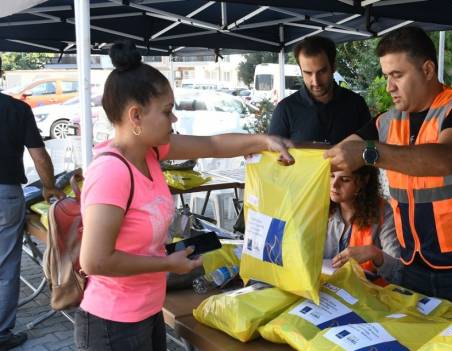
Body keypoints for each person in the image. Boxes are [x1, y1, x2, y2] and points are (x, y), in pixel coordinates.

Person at [75, 41, 294, 351]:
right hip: (113, 326)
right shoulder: (111, 172)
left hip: (147, 311)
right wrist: (166, 264)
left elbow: (214, 145)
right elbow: (95, 260)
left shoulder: (151, 152)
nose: (174, 119)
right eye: (167, 111)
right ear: (135, 116)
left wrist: (263, 141)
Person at [324, 27, 452, 312]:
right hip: (415, 268)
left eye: (397, 75)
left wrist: (368, 153)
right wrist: (278, 151)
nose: (389, 86)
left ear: (427, 70)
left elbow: (444, 159)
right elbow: (334, 154)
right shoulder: (387, 122)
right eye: (386, 76)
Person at [0, 55, 64, 350]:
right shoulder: (16, 109)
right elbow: (39, 155)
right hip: (5, 194)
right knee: (6, 264)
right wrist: (50, 187)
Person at [268, 35, 371, 144]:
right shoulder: (285, 110)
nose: (315, 82)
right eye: (308, 73)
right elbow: (275, 157)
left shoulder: (356, 104)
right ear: (301, 70)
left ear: (334, 66)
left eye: (322, 72)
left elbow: (370, 148)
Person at [325, 166, 402, 285]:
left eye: (345, 180)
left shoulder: (383, 212)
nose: (334, 185)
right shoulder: (319, 207)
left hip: (368, 293)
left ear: (363, 181)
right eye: (331, 176)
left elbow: (398, 273)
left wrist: (375, 254)